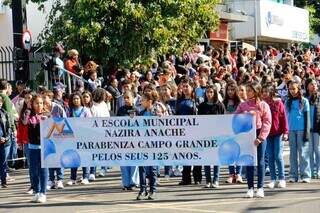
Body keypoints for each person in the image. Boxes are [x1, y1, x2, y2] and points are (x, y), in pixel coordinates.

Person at [235, 81, 272, 198]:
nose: (247, 92)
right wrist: (244, 116)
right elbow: (235, 117)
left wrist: (261, 137)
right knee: (249, 161)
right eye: (247, 90)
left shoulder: (263, 105)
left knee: (260, 161)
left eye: (250, 90)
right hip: (247, 135)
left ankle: (260, 187)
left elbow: (267, 121)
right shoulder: (243, 105)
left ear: (256, 91)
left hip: (259, 134)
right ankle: (250, 188)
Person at [22, 94, 49, 203]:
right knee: (33, 171)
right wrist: (27, 110)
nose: (39, 105)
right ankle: (36, 192)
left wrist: (46, 120)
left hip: (45, 147)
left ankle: (43, 192)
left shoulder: (47, 114)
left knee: (43, 170)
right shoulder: (29, 114)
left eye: (41, 103)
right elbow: (24, 122)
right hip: (32, 147)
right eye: (36, 103)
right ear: (32, 104)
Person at [136, 92, 163, 200]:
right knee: (141, 167)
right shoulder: (141, 113)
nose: (141, 102)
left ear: (149, 101)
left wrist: (160, 117)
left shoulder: (156, 112)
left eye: (143, 100)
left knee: (152, 167)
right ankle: (143, 189)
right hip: (143, 143)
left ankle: (153, 189)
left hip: (154, 143)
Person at [262, 85, 289, 189]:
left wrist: (285, 132)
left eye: (266, 91)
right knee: (270, 157)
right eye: (263, 91)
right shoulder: (262, 104)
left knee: (278, 156)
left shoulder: (278, 103)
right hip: (267, 134)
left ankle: (282, 178)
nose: (264, 93)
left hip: (278, 133)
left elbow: (284, 119)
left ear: (271, 92)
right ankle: (273, 179)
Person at [198, 85, 225, 188]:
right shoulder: (201, 106)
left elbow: (223, 121)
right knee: (207, 159)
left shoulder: (220, 105)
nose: (209, 94)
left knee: (217, 158)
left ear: (215, 93)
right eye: (207, 92)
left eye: (211, 92)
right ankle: (208, 180)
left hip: (217, 135)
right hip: (205, 135)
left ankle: (216, 179)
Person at [286, 80, 311, 183]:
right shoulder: (287, 101)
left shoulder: (304, 101)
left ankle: (305, 175)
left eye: (294, 88)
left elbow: (307, 117)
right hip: (291, 130)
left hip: (302, 130)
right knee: (293, 154)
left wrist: (307, 132)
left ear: (298, 89)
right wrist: (286, 131)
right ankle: (293, 175)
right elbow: (285, 117)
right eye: (290, 89)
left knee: (303, 154)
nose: (292, 91)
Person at [176, 79, 200, 185]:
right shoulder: (179, 101)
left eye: (187, 86)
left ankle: (197, 177)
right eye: (183, 86)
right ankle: (186, 178)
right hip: (183, 132)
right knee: (185, 155)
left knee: (197, 155)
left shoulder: (197, 101)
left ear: (192, 87)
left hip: (195, 131)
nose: (185, 89)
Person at [42, 90, 66, 190]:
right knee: (50, 158)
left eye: (45, 98)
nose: (43, 100)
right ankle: (51, 180)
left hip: (58, 136)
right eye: (42, 98)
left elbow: (65, 120)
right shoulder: (41, 108)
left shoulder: (58, 107)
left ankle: (60, 180)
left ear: (50, 98)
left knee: (59, 158)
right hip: (46, 137)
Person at [67, 92, 92, 186]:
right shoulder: (69, 111)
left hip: (84, 137)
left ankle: (86, 177)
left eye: (77, 98)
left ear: (80, 100)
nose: (76, 100)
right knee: (73, 158)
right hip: (73, 138)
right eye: (74, 99)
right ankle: (73, 178)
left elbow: (90, 123)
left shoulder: (86, 110)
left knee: (85, 157)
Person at [118, 91, 139, 190]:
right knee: (124, 162)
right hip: (122, 140)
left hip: (134, 140)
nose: (126, 100)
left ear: (133, 98)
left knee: (134, 162)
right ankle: (126, 183)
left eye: (128, 97)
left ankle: (133, 182)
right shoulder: (120, 110)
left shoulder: (137, 110)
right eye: (124, 98)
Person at [223, 80, 243, 184]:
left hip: (238, 130)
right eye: (228, 90)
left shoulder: (240, 102)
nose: (230, 92)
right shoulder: (223, 102)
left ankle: (238, 173)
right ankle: (231, 174)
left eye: (232, 90)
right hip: (227, 130)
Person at [305, 79, 320, 179]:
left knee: (317, 149)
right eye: (311, 84)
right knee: (309, 151)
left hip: (318, 127)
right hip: (308, 128)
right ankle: (310, 170)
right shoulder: (304, 99)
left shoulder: (319, 98)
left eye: (315, 84)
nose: (314, 86)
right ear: (307, 86)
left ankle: (318, 170)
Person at [0, 96, 11, 188]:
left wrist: (6, 138)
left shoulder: (5, 113)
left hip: (3, 141)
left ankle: (3, 181)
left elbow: (9, 128)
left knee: (3, 161)